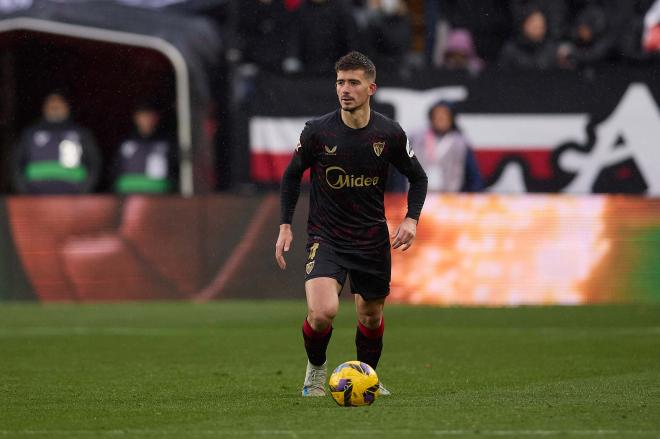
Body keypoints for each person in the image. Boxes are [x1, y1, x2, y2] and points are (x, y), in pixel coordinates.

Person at [275, 51, 428, 397]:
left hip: (371, 238)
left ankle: (368, 377)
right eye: (340, 82)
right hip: (326, 236)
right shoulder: (317, 131)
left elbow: (418, 179)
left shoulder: (388, 134)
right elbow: (291, 175)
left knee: (370, 317)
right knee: (322, 312)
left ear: (371, 88)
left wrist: (411, 219)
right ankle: (316, 371)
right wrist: (285, 224)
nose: (345, 89)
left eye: (353, 82)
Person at [12, 91, 101, 195]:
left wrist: (84, 190)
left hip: (73, 197)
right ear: (44, 108)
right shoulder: (30, 133)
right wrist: (24, 191)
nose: (55, 107)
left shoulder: (81, 134)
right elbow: (16, 163)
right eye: (51, 104)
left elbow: (94, 163)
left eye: (59, 104)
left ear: (67, 107)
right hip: (35, 197)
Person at [412, 101, 483, 192]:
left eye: (444, 115)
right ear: (431, 118)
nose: (440, 118)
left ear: (452, 118)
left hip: (450, 198)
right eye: (437, 115)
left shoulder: (460, 143)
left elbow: (473, 175)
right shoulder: (417, 138)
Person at [112, 103, 178, 194]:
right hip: (129, 197)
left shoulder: (168, 143)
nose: (146, 120)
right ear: (136, 118)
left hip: (160, 197)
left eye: (150, 116)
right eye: (143, 116)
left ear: (156, 118)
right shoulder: (126, 144)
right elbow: (115, 172)